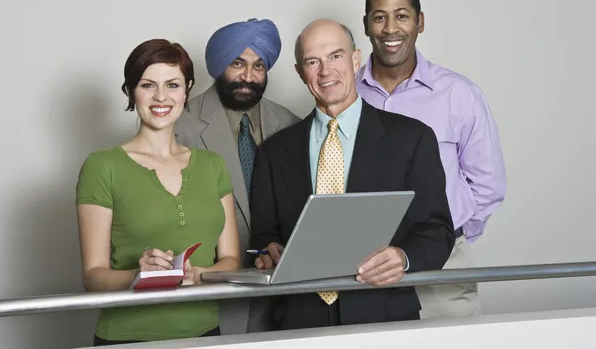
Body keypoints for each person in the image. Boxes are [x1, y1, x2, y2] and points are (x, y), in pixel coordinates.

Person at [249, 19, 455, 330]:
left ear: (356, 60)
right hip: (299, 321)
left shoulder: (412, 139)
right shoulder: (273, 151)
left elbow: (437, 230)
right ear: (299, 72)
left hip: (384, 317)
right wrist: (268, 250)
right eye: (312, 61)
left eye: (335, 56)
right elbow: (264, 235)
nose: (325, 71)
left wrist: (405, 256)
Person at [356, 0, 507, 318]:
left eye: (402, 15)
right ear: (366, 25)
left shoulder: (458, 94)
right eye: (379, 17)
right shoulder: (347, 94)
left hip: (444, 267)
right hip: (365, 266)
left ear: (420, 22)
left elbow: (488, 184)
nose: (391, 28)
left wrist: (447, 237)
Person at [75, 39, 240, 345]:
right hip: (127, 338)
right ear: (130, 91)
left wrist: (200, 274)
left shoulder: (213, 165)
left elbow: (230, 259)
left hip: (206, 335)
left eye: (172, 85)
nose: (161, 97)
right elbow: (93, 275)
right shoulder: (102, 166)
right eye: (148, 85)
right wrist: (137, 276)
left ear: (187, 89)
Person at [175, 18, 300, 334]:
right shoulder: (180, 124)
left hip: (283, 294)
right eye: (237, 63)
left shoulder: (291, 123)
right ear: (218, 66)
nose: (248, 76)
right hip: (209, 292)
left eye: (259, 66)